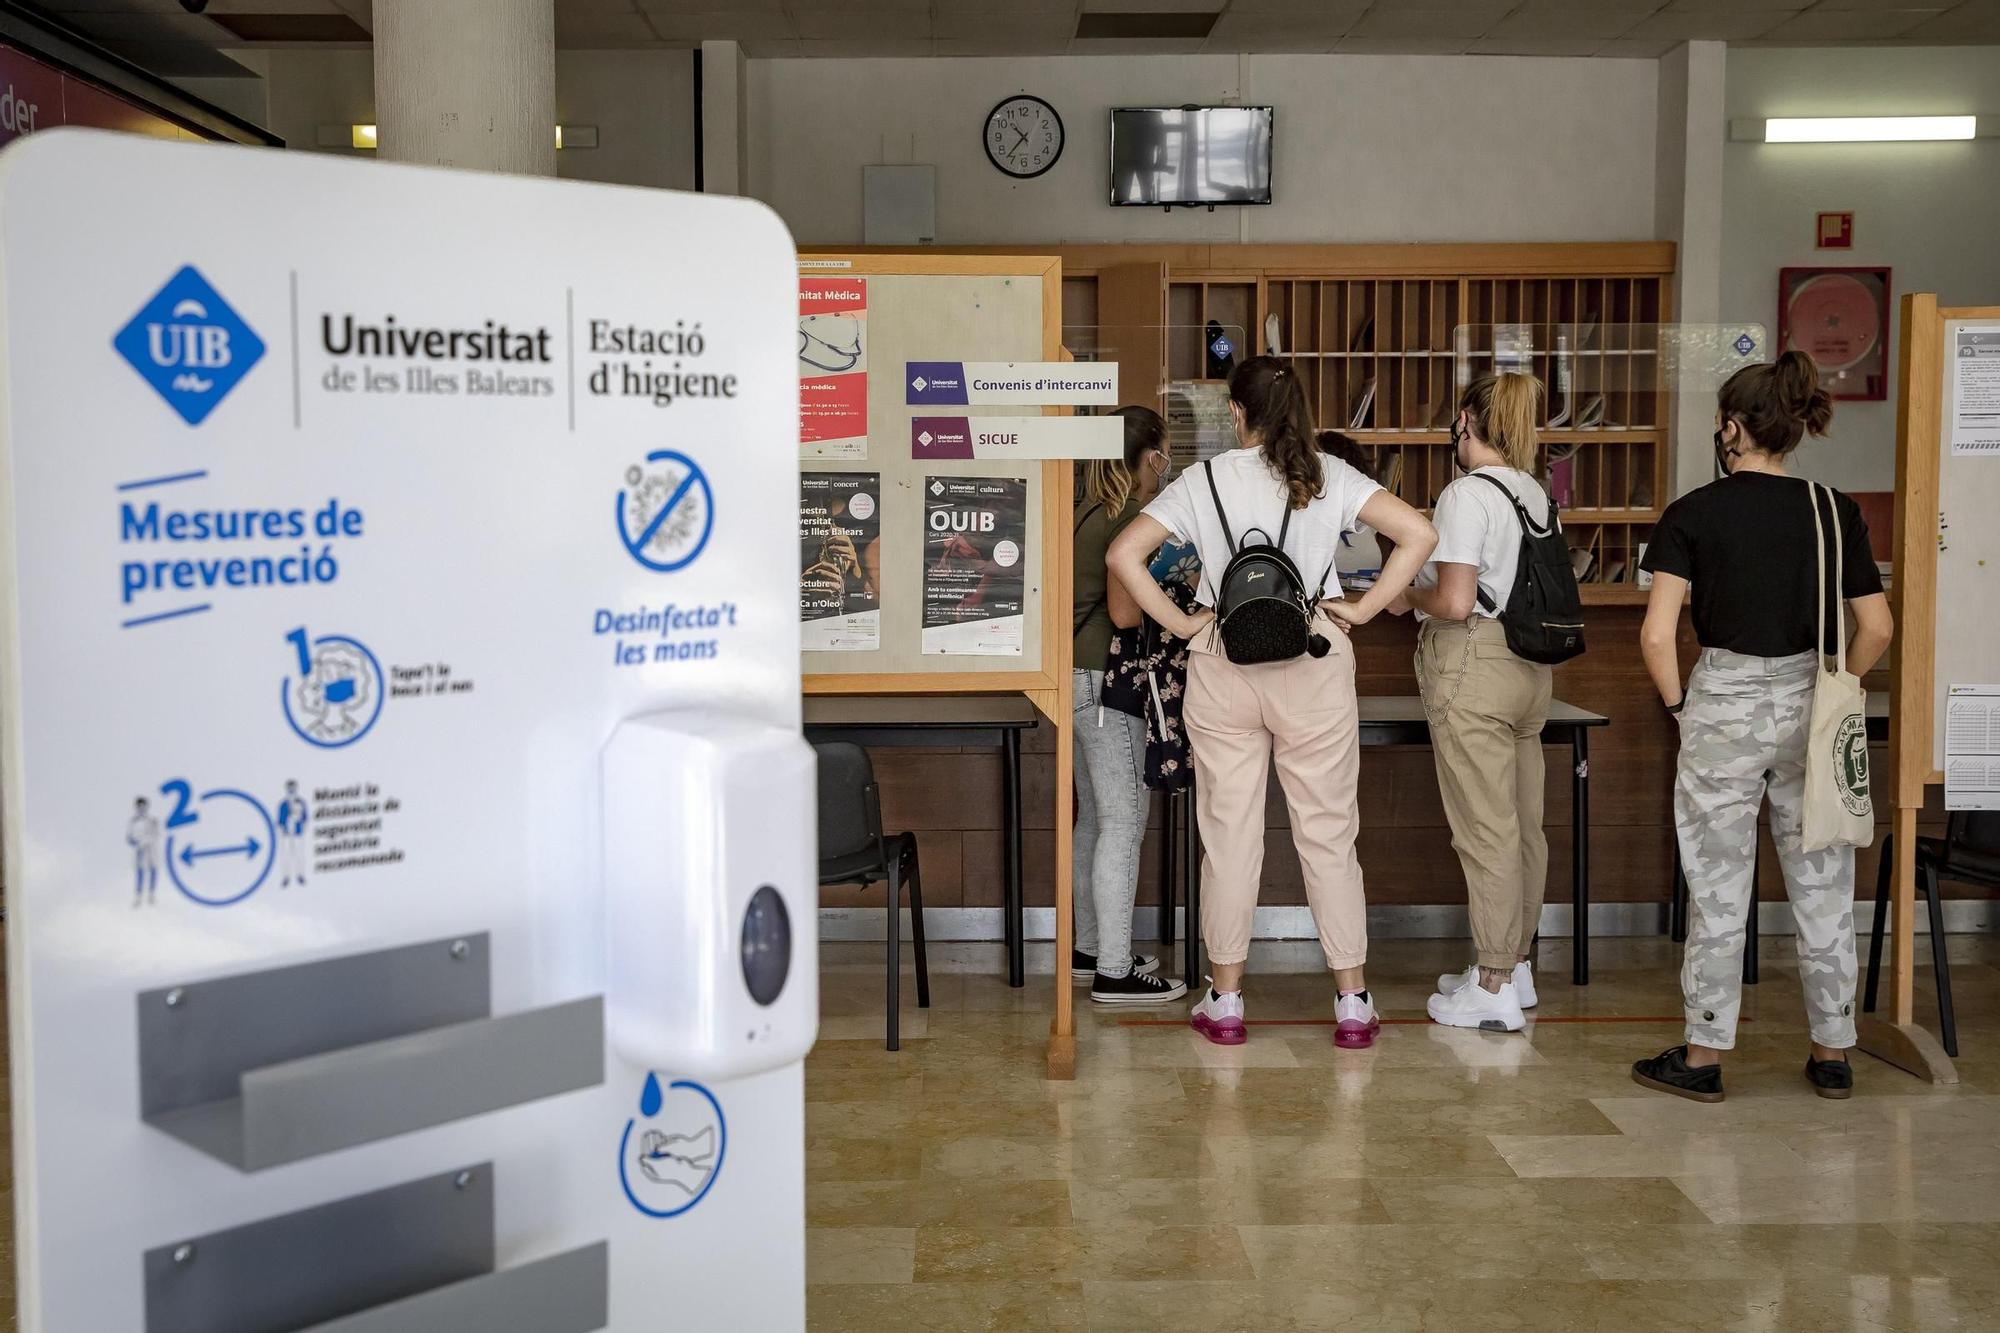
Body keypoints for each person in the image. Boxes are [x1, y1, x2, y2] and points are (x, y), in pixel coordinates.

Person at [1107, 358, 1436, 1047]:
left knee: (1228, 836)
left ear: (1236, 413)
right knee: (1328, 833)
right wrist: (1366, 608)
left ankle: (1225, 1000)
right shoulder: (1328, 475)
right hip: (1313, 656)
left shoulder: (1203, 480)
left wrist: (1183, 623)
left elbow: (1124, 554)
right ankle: (1352, 1002)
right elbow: (1420, 534)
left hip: (1223, 660)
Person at [1631, 350, 1893, 1102]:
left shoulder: (1692, 513)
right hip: (1812, 695)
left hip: (1724, 697)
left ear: (1733, 428)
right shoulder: (1833, 509)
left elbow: (1656, 635)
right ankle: (1832, 1049)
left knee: (1718, 882)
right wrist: (1838, 685)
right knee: (1822, 877)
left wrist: (1683, 705)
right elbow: (1876, 625)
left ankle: (1706, 1050)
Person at [1390, 373, 1554, 1032]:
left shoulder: (1465, 493)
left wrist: (1407, 598)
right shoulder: (1533, 490)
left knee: (1484, 828)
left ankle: (1491, 986)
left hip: (1474, 664)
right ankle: (1515, 965)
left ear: (1465, 420)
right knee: (1523, 824)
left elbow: (1456, 601)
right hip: (1530, 670)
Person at [1071, 405, 1186, 1003]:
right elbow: (1122, 613)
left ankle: (1088, 947)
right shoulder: (1130, 516)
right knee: (1122, 822)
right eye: (1164, 454)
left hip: (1072, 679)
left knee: (1093, 820)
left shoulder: (1084, 509)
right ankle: (1114, 970)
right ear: (1150, 456)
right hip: (1104, 683)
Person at [127, 796, 160, 906]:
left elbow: (155, 834)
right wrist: (135, 842)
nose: (141, 808)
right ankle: (138, 897)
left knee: (153, 870)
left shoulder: (152, 820)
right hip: (139, 850)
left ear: (147, 807)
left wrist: (144, 842)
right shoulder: (133, 821)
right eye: (139, 806)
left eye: (143, 806)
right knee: (140, 872)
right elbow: (129, 837)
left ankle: (152, 895)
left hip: (150, 849)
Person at [278, 779, 308, 887]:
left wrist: (300, 824)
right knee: (286, 855)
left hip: (298, 833)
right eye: (289, 788)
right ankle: (286, 877)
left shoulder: (301, 803)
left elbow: (305, 818)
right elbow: (279, 820)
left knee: (299, 855)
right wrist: (283, 828)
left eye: (293, 788)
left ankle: (300, 875)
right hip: (286, 834)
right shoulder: (283, 804)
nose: (291, 790)